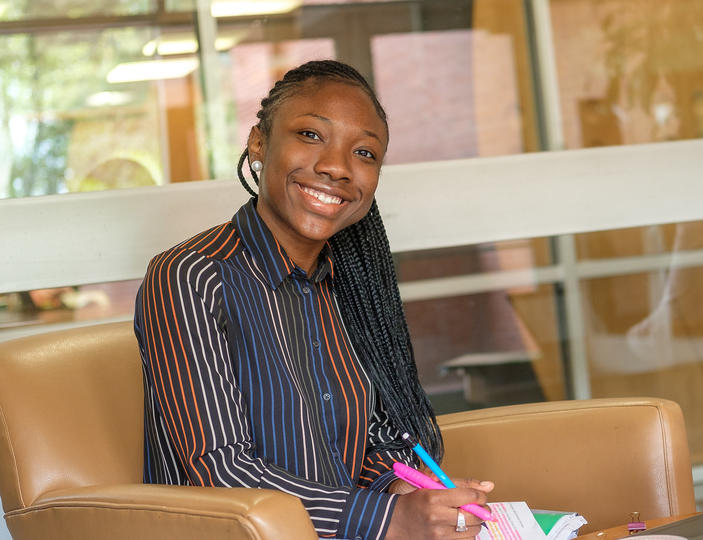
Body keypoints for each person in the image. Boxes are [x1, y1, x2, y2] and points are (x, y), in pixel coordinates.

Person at [134, 60, 493, 540]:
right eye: (310, 135)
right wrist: (389, 521)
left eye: (364, 152)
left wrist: (401, 490)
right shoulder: (192, 276)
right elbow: (221, 474)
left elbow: (372, 441)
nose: (337, 167)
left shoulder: (351, 288)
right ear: (258, 143)